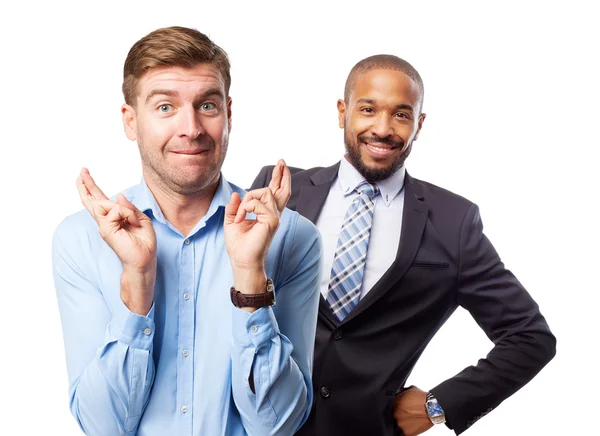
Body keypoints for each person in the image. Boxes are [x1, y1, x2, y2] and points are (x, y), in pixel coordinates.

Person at [250, 55, 556, 436]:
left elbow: (530, 338)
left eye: (401, 114)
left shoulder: (452, 222)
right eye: (368, 109)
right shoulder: (280, 189)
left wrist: (439, 405)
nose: (383, 129)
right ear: (342, 111)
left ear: (419, 124)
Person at [52, 26, 321, 436]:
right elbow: (103, 426)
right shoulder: (81, 239)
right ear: (130, 120)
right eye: (165, 107)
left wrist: (250, 276)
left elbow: (277, 425)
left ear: (229, 114)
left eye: (207, 106)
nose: (191, 128)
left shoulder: (292, 237)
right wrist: (137, 285)